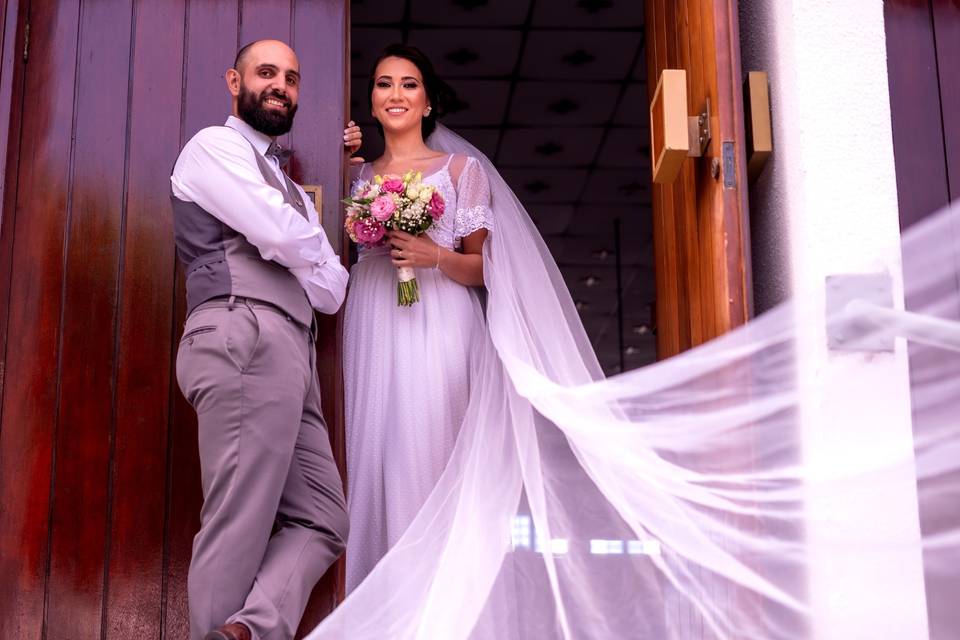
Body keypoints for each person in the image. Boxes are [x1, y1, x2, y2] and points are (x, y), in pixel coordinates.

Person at [171, 39, 361, 640]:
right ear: (235, 81)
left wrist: (300, 248)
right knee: (241, 518)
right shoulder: (214, 147)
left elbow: (333, 290)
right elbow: (283, 237)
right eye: (266, 73)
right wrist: (303, 249)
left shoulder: (292, 185)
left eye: (292, 78)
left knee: (324, 518)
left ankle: (247, 631)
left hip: (291, 353)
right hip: (241, 330)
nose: (281, 85)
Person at [342, 44, 492, 591]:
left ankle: (441, 600)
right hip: (372, 321)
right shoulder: (355, 179)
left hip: (442, 323)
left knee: (429, 453)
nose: (396, 94)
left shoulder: (461, 171)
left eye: (409, 84)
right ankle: (383, 600)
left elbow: (487, 269)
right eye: (384, 84)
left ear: (428, 101)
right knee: (373, 457)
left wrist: (437, 256)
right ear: (372, 101)